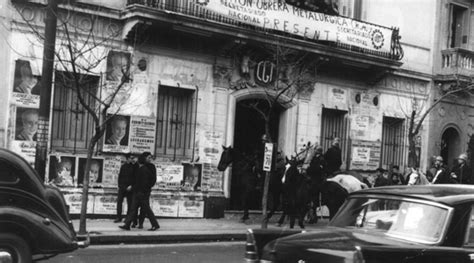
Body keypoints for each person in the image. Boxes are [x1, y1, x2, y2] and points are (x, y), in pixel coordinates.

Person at [119, 154, 160, 231]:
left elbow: (141, 182)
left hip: (141, 193)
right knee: (134, 208)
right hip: (140, 192)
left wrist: (134, 187)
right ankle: (127, 224)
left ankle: (155, 224)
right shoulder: (143, 169)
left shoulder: (143, 170)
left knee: (144, 209)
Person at [114, 153, 137, 223]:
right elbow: (120, 177)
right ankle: (118, 217)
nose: (132, 159)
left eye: (133, 158)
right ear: (127, 159)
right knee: (119, 202)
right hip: (122, 187)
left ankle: (128, 217)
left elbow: (135, 178)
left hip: (130, 188)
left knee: (130, 203)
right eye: (131, 158)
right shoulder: (123, 166)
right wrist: (120, 186)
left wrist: (131, 186)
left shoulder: (134, 167)